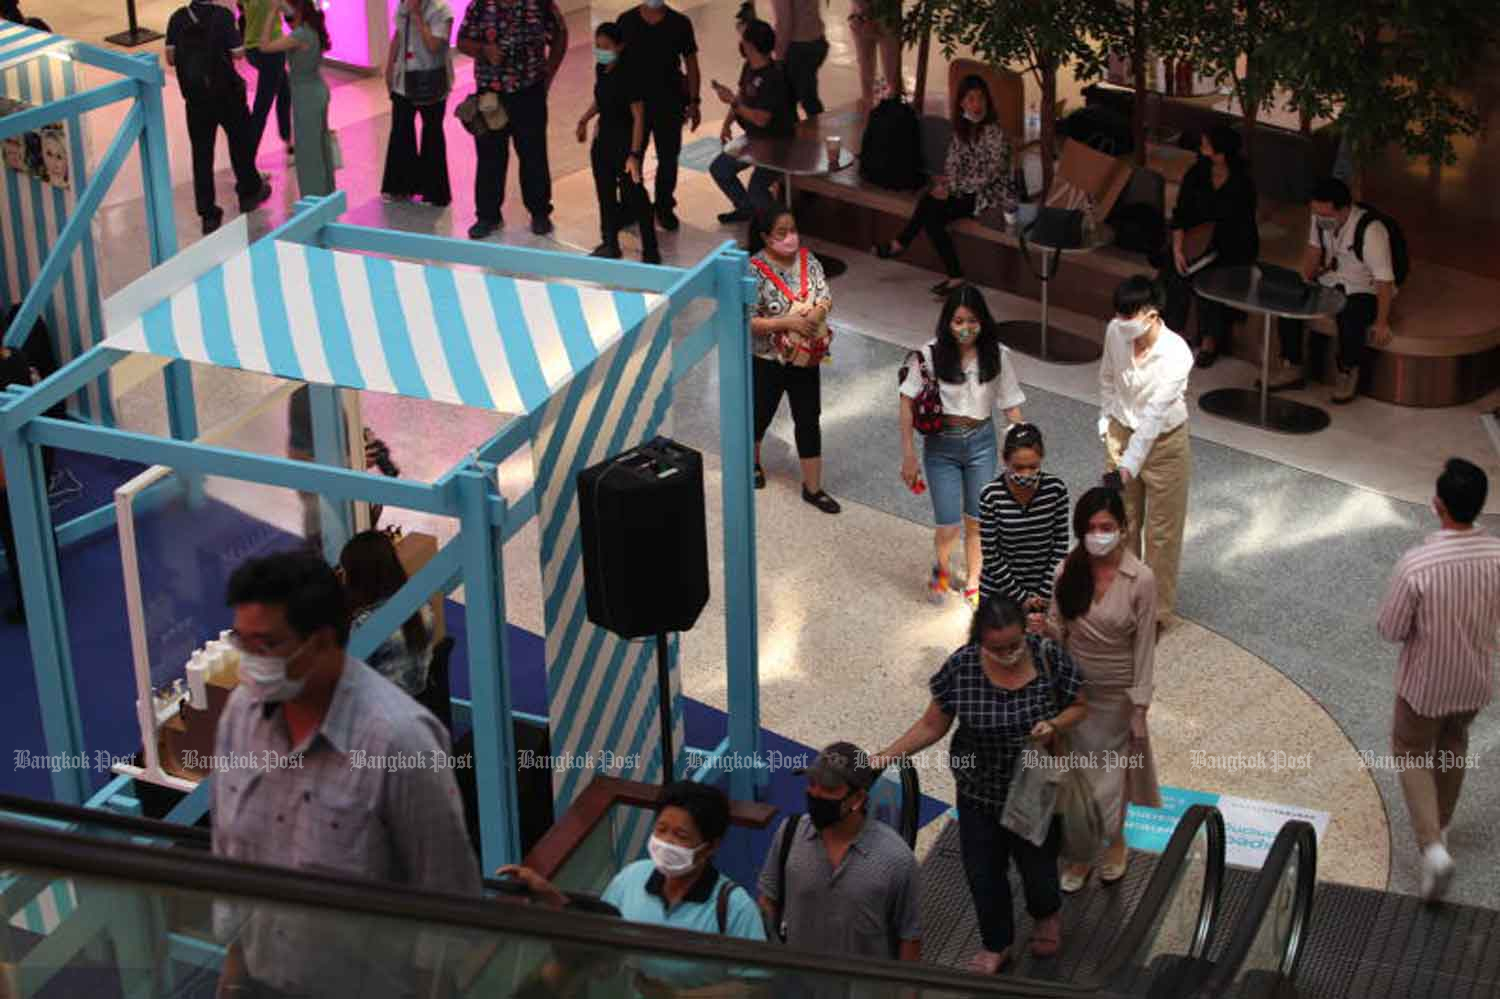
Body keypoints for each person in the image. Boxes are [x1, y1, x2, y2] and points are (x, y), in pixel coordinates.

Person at [213, 552, 481, 997]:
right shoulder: (241, 715)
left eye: (266, 646)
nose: (250, 663)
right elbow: (230, 855)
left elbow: (445, 897)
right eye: (242, 643)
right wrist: (234, 973)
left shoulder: (400, 744)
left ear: (319, 642)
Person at [875, 597, 1087, 972]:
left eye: (1015, 645)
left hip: (1033, 788)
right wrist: (885, 757)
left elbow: (1081, 704)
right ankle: (997, 941)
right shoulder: (962, 666)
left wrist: (1055, 725)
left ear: (1025, 634)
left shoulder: (1048, 656)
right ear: (980, 641)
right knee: (983, 872)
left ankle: (1046, 914)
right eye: (997, 648)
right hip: (977, 791)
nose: (1008, 655)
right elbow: (932, 725)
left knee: (1038, 868)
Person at [500, 781, 766, 993]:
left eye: (680, 835)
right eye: (661, 829)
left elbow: (756, 986)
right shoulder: (632, 878)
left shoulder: (735, 908)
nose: (666, 842)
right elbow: (599, 929)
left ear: (711, 846)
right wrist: (548, 894)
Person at [1377, 458, 1500, 902]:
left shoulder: (1418, 565)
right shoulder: (1497, 556)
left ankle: (1431, 848)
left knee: (1410, 750)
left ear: (1437, 505)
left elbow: (1391, 628)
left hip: (1424, 686)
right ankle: (1442, 827)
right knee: (1453, 744)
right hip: (1473, 681)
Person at [1046, 486, 1160, 893]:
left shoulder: (1141, 579)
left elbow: (1145, 644)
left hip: (1117, 695)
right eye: (1090, 528)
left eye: (1106, 527)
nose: (1098, 535)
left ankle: (1114, 841)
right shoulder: (1068, 571)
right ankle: (1080, 853)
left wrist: (1140, 707)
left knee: (1112, 780)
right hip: (1076, 693)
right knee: (1077, 776)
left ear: (1123, 528)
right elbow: (1059, 630)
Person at [898, 285, 1026, 608]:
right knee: (948, 525)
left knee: (977, 520)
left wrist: (1020, 447)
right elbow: (906, 400)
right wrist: (908, 453)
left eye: (971, 320)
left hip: (982, 443)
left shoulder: (998, 355)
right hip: (941, 446)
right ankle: (941, 570)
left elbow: (1011, 406)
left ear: (983, 321)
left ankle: (974, 580)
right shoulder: (929, 353)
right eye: (957, 321)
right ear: (947, 322)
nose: (965, 328)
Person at [759, 742, 922, 973]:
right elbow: (768, 899)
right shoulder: (790, 833)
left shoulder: (897, 860)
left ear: (857, 799)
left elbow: (910, 938)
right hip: (795, 984)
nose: (815, 793)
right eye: (812, 783)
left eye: (828, 788)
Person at [1098, 276, 1192, 633]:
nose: (1123, 324)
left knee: (1162, 533)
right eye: (1119, 315)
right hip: (1122, 432)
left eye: (1130, 316)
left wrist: (1128, 466)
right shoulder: (1114, 331)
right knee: (1123, 523)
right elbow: (1107, 377)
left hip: (1165, 444)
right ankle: (1125, 600)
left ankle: (1156, 611)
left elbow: (1154, 418)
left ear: (1152, 314)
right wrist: (1106, 421)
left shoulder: (1176, 353)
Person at [874, 75, 1015, 298]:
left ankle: (901, 244)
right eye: (970, 99)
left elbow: (991, 175)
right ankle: (953, 275)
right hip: (963, 190)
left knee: (931, 211)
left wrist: (952, 187)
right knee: (930, 205)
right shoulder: (961, 130)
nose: (976, 105)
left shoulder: (994, 133)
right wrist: (946, 183)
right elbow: (953, 163)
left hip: (988, 195)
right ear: (962, 103)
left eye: (980, 99)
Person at [747, 205, 839, 514]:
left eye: (793, 230)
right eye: (781, 233)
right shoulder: (752, 270)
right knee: (759, 414)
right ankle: (752, 463)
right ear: (765, 237)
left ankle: (813, 488)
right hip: (767, 359)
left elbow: (825, 295)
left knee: (808, 418)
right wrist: (786, 323)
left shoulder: (808, 260)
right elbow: (747, 320)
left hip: (806, 360)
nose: (790, 238)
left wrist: (816, 313)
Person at [1274, 177, 1398, 404]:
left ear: (1344, 209)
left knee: (1350, 313)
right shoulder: (1319, 218)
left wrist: (1382, 322)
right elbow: (1314, 250)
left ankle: (1348, 371)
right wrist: (1303, 282)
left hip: (1363, 287)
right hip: (1331, 279)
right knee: (1288, 299)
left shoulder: (1371, 231)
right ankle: (1292, 365)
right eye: (1317, 214)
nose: (1321, 220)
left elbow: (1384, 281)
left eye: (1326, 215)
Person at [456, 0, 568, 240]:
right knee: (489, 156)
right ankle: (488, 216)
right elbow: (462, 41)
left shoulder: (539, 4)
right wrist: (484, 50)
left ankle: (539, 212)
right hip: (490, 95)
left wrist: (548, 73)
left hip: (529, 92)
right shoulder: (480, 6)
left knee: (533, 154)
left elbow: (560, 35)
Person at [165, 0, 273, 235]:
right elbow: (237, 54)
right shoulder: (223, 16)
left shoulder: (177, 18)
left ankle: (208, 214)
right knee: (239, 142)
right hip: (226, 95)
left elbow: (170, 58)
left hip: (195, 99)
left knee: (202, 154)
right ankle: (248, 192)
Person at [1162, 125, 1258, 369]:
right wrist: (1178, 248)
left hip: (1230, 244)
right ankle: (1175, 333)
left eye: (1207, 143)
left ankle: (1210, 340)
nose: (1202, 147)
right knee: (1176, 274)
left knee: (1211, 277)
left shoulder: (1242, 182)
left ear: (1221, 151)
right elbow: (1181, 213)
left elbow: (1243, 223)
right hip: (1196, 239)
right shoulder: (1196, 173)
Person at [577, 23, 660, 264]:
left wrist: (634, 153)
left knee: (635, 194)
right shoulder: (601, 69)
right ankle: (610, 243)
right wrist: (584, 119)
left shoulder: (630, 74)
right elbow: (600, 100)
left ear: (620, 47)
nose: (600, 51)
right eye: (597, 46)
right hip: (603, 142)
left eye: (605, 47)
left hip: (625, 144)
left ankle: (651, 249)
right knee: (605, 194)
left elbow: (639, 117)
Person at [616, 0, 701, 232]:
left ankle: (664, 206)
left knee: (668, 157)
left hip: (669, 104)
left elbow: (691, 63)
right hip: (635, 105)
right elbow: (614, 62)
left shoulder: (680, 23)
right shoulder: (626, 21)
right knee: (632, 155)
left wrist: (694, 101)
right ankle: (630, 205)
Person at [977, 423, 1070, 615]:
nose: (1026, 474)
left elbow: (1060, 544)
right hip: (999, 592)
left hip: (1044, 592)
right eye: (1018, 467)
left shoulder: (1056, 490)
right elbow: (991, 554)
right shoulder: (991, 495)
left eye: (1033, 467)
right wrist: (1022, 598)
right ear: (1005, 460)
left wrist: (1043, 593)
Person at [708, 18, 793, 226]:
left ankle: (783, 225)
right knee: (720, 168)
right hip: (754, 139)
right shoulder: (750, 66)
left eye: (743, 39)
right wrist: (727, 122)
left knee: (758, 189)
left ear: (751, 45)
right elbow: (742, 94)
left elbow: (762, 119)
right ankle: (746, 209)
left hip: (778, 144)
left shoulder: (774, 77)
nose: (740, 43)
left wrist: (733, 102)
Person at [339, 530, 435, 698]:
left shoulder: (365, 625)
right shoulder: (422, 605)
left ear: (358, 578)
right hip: (420, 697)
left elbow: (349, 681)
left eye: (345, 571)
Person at [255, 0, 334, 198]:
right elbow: (292, 18)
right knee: (319, 145)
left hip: (306, 96)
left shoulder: (299, 36)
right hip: (317, 90)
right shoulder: (312, 29)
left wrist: (272, 12)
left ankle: (313, 197)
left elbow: (264, 46)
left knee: (308, 150)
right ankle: (326, 193)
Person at [380, 0, 454, 207]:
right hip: (403, 79)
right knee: (401, 130)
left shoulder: (442, 10)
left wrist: (418, 17)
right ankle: (401, 186)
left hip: (431, 80)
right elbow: (399, 34)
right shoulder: (404, 5)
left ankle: (434, 191)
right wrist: (389, 65)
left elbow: (434, 46)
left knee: (432, 133)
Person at [240, 0, 293, 160]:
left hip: (251, 50)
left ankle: (288, 143)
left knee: (284, 91)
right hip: (271, 50)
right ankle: (247, 160)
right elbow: (290, 12)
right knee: (262, 105)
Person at [769, 0, 827, 118]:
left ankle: (814, 132)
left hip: (798, 47)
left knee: (798, 100)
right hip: (816, 41)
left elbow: (785, 22)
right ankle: (812, 131)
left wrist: (779, 57)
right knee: (805, 96)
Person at [848, 0, 901, 108]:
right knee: (872, 68)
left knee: (889, 72)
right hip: (868, 17)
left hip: (878, 17)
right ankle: (874, 107)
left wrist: (865, 15)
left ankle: (889, 108)